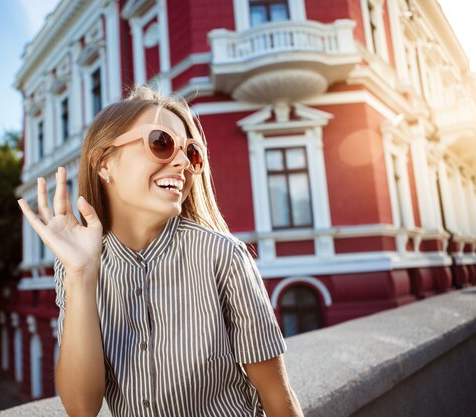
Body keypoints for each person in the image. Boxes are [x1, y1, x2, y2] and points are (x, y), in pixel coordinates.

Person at [17, 84, 304, 417]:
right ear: (104, 163)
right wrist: (81, 275)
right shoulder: (75, 264)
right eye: (161, 143)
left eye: (191, 152)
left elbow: (277, 398)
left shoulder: (223, 256)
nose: (182, 162)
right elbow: (82, 408)